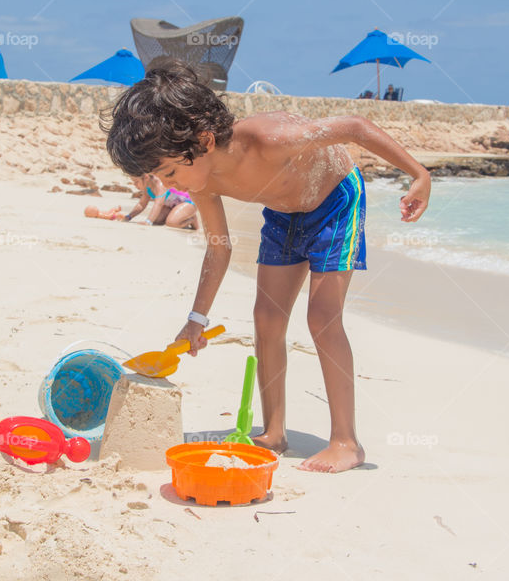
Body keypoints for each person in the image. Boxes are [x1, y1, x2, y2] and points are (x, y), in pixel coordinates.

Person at [104, 64, 431, 473]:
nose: (173, 185)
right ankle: (274, 432)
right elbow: (219, 248)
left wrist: (419, 174)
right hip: (282, 214)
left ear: (204, 141)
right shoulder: (201, 181)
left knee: (322, 318)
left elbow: (355, 127)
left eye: (170, 172)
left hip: (336, 202)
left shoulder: (271, 139)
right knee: (266, 318)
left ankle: (347, 442)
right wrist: (196, 319)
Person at [122, 173, 199, 229]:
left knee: (171, 223)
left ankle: (191, 219)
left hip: (187, 202)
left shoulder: (160, 184)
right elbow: (141, 204)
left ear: (146, 177)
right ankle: (177, 216)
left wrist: (148, 222)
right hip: (171, 206)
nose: (135, 185)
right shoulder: (147, 187)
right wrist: (128, 217)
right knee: (157, 221)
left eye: (136, 182)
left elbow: (158, 204)